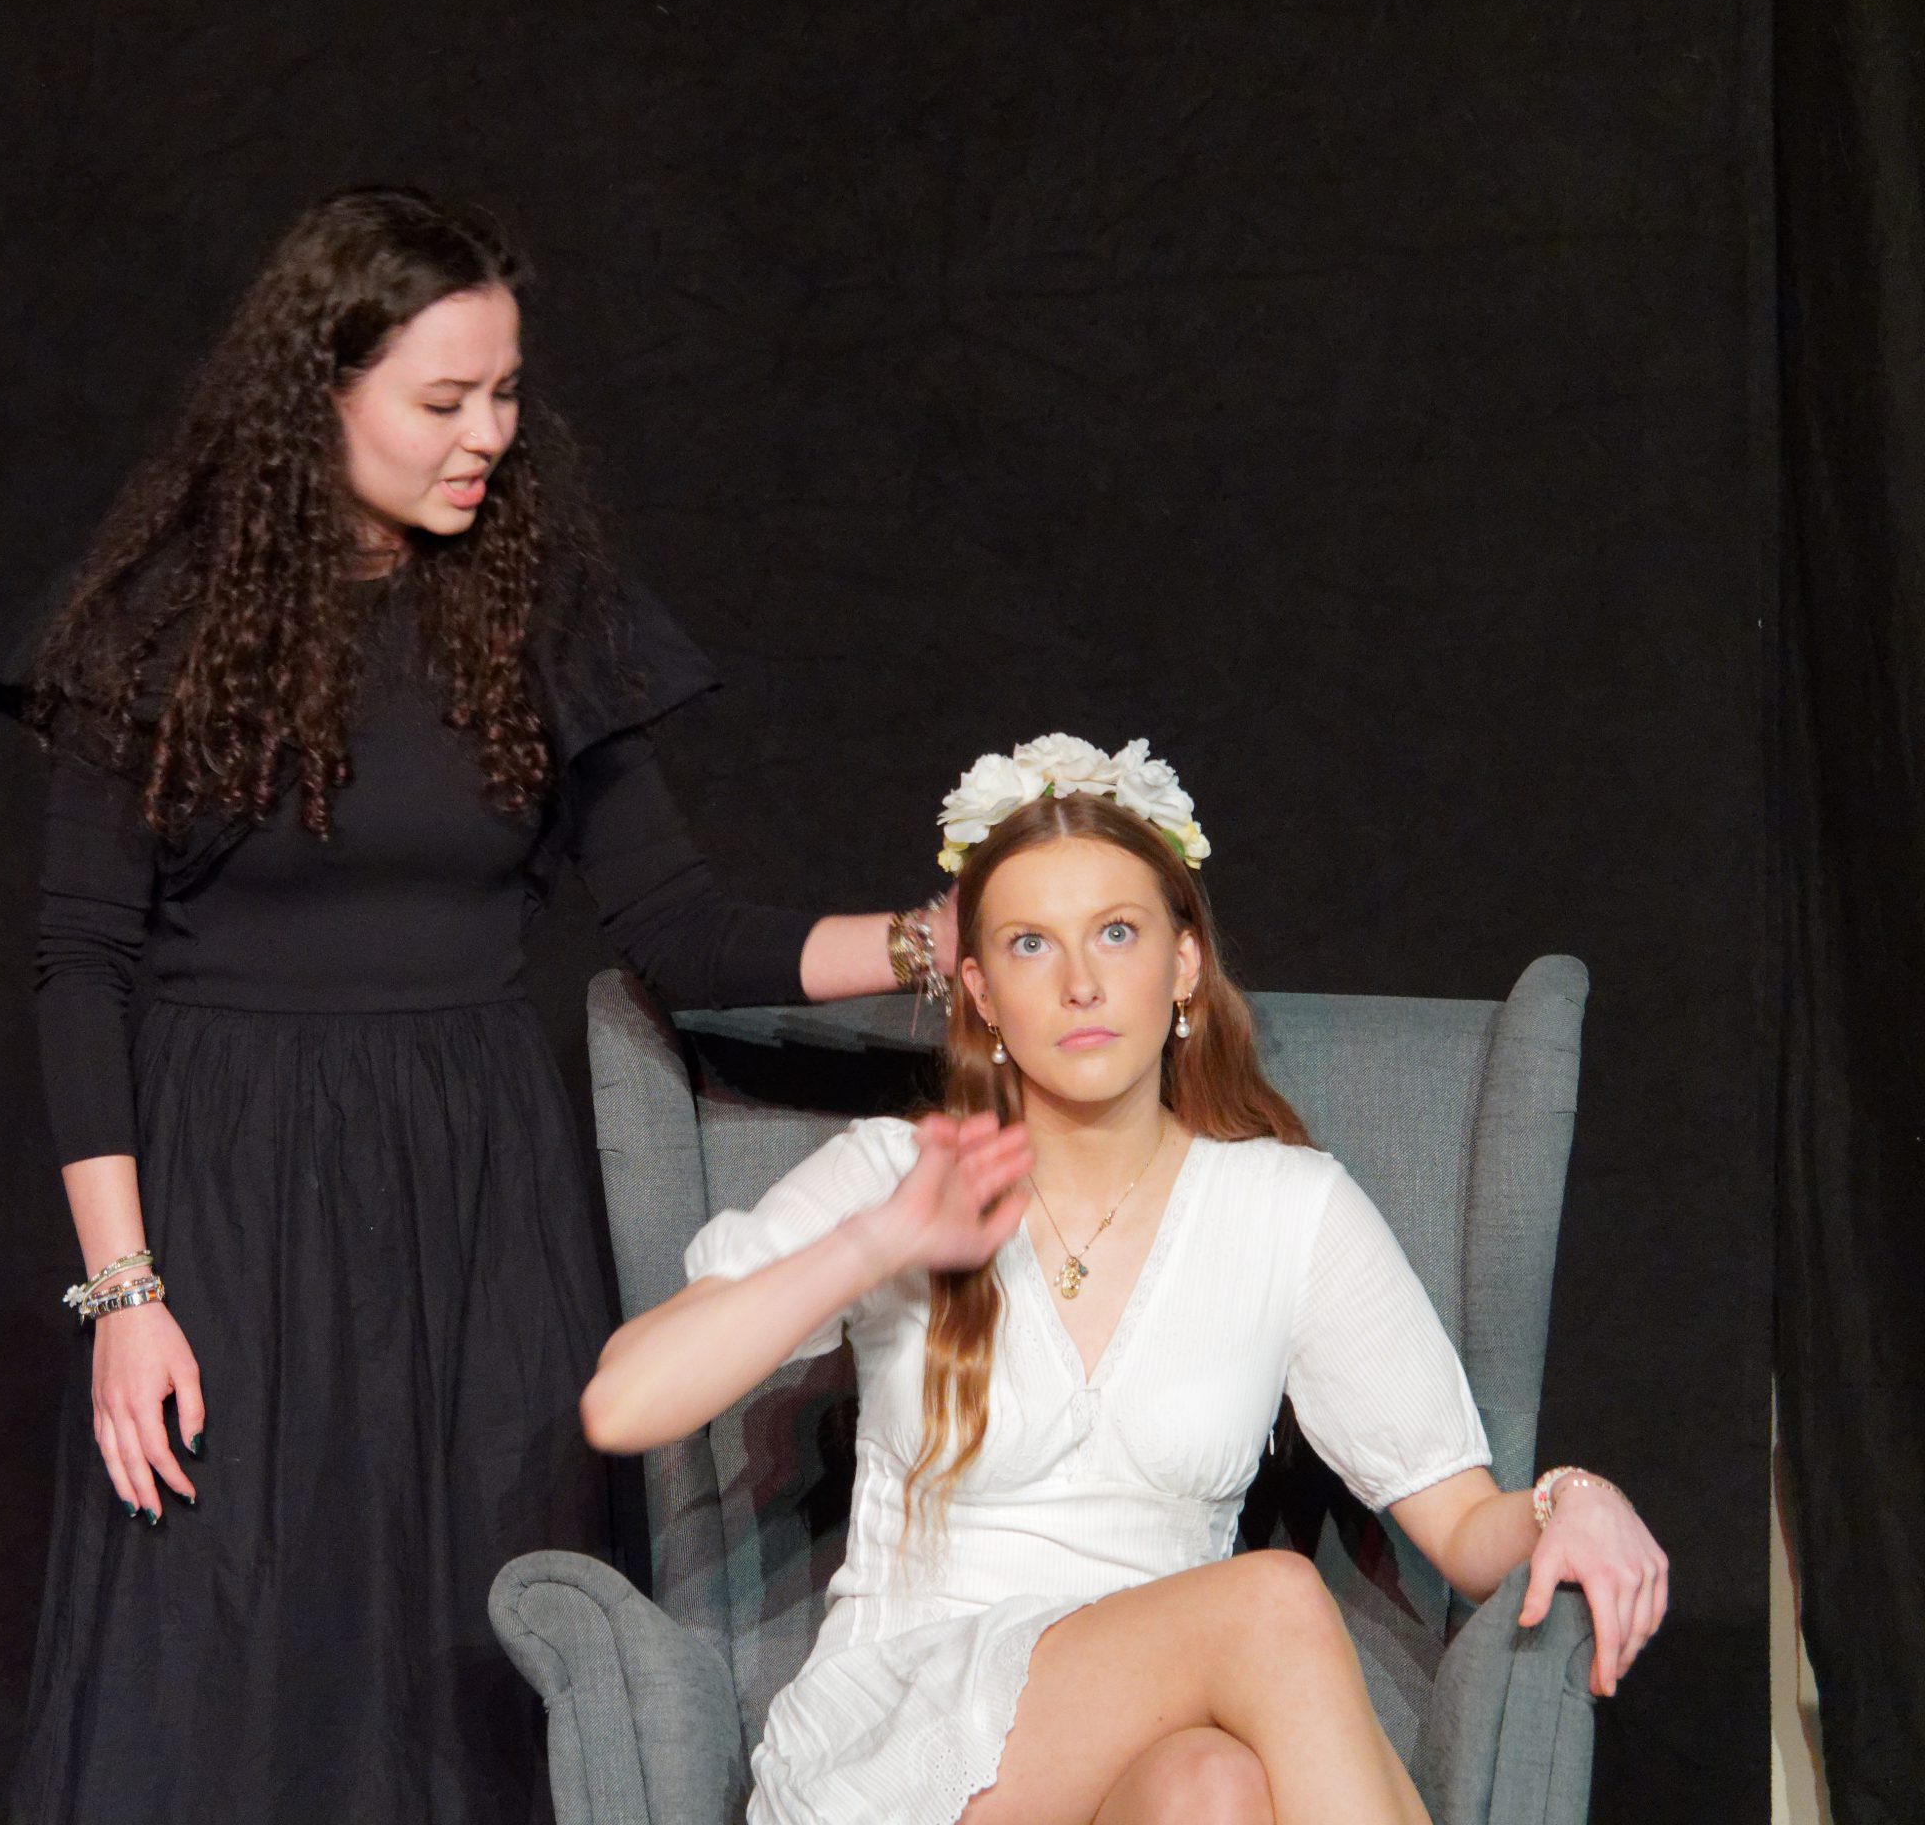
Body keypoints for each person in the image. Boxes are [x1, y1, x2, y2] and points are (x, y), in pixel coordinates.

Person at [0, 187, 957, 1825]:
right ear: (319, 391)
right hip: (230, 1195)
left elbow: (685, 933)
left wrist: (942, 945)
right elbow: (83, 964)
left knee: (470, 1641)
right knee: (226, 1655)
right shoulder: (155, 625)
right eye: (443, 400)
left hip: (476, 1191)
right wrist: (123, 1296)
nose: (487, 436)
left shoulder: (540, 617)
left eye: (504, 394)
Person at [581, 735, 1669, 1825]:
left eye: (1116, 931)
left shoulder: (1287, 1208)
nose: (1081, 983)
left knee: (1216, 1786)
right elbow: (626, 1403)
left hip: (1151, 1742)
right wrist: (875, 1242)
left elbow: (1466, 1525)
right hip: (906, 1737)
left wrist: (1576, 1501)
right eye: (1030, 945)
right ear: (980, 991)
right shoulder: (900, 1173)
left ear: (1184, 963)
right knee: (1271, 1603)